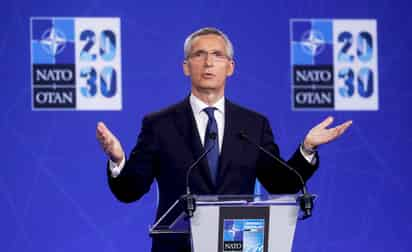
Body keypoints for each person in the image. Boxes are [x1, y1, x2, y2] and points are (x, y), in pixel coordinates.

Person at [96, 27, 352, 252]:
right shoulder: (159, 125)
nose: (208, 62)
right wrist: (118, 161)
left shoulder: (253, 124)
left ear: (230, 67)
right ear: (186, 66)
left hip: (238, 246)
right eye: (199, 55)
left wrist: (307, 148)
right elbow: (130, 190)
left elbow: (280, 183)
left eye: (217, 55)